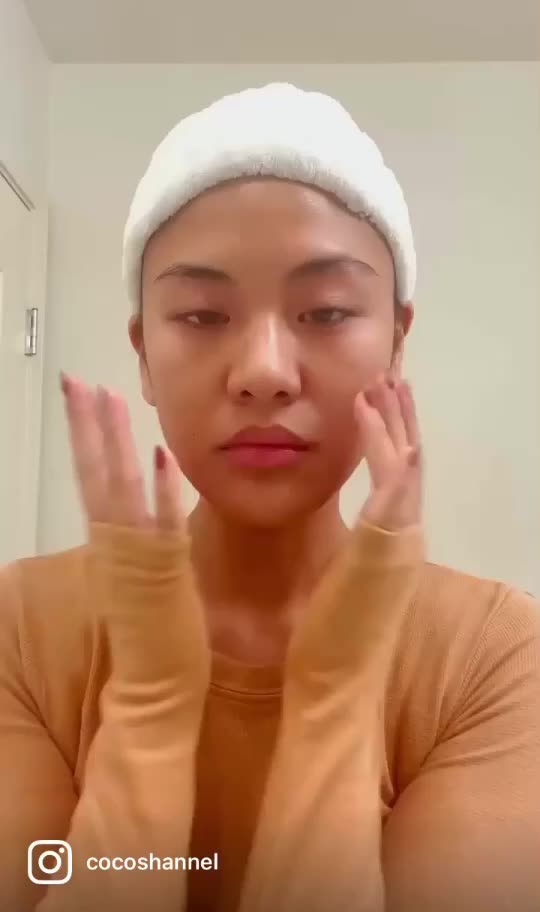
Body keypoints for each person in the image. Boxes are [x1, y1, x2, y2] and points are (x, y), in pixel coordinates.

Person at [0, 82, 538, 912]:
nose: (263, 372)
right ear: (142, 355)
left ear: (397, 343)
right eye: (202, 315)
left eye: (325, 312)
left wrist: (335, 703)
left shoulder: (496, 657)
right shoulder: (20, 630)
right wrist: (148, 710)